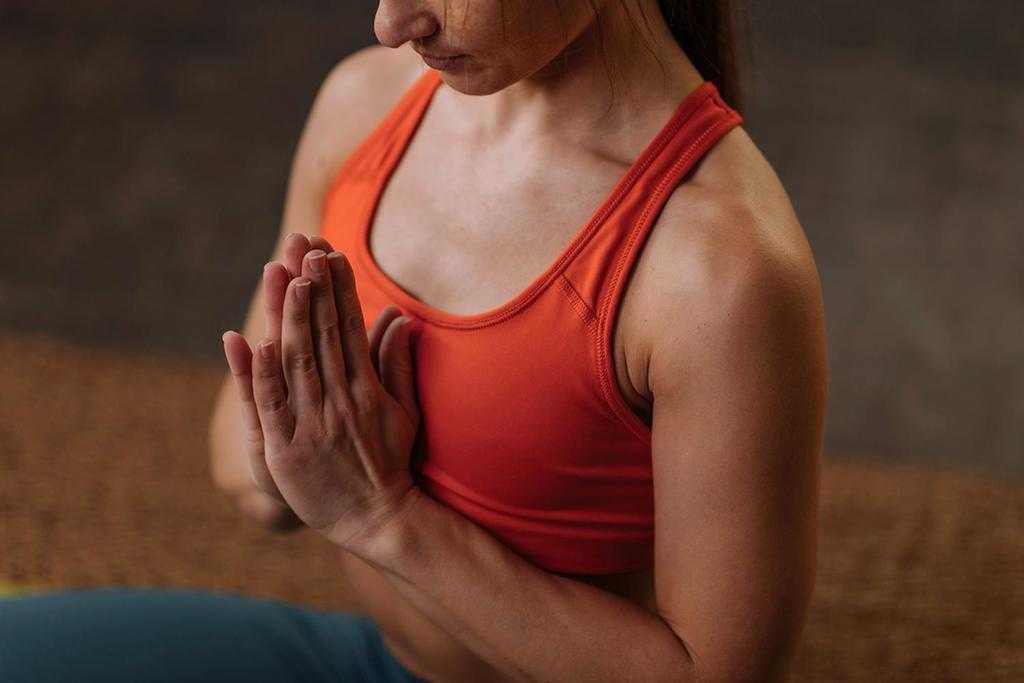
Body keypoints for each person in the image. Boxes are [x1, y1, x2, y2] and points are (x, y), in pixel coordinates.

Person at [0, 1, 828, 681]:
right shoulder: (365, 106)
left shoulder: (721, 269)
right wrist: (303, 451)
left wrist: (382, 515)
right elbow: (239, 466)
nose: (392, 21)